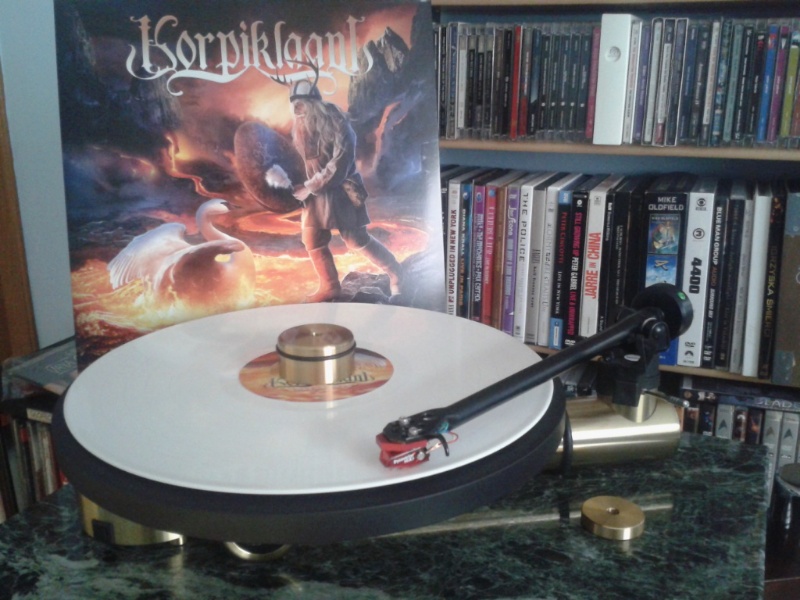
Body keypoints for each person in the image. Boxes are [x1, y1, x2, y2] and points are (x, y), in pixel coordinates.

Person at [284, 76, 402, 303]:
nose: (297, 110)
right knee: (312, 238)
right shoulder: (301, 126)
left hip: (342, 191)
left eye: (301, 104)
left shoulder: (338, 123)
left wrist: (309, 187)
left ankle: (397, 274)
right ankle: (330, 287)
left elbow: (340, 164)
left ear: (314, 103)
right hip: (316, 194)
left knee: (355, 239)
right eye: (294, 105)